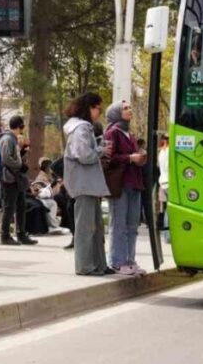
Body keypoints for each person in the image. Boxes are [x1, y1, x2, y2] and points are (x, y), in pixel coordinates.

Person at [62, 92, 112, 276]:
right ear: (89, 107)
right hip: (85, 184)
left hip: (88, 184)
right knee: (86, 228)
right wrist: (101, 150)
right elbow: (84, 154)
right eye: (98, 108)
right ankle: (85, 266)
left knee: (96, 227)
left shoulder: (81, 127)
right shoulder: (81, 128)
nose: (99, 112)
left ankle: (99, 264)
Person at [103, 101, 148, 276]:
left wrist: (140, 158)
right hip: (120, 184)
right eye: (125, 108)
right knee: (119, 224)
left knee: (132, 225)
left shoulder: (129, 134)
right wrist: (130, 158)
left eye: (129, 107)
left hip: (134, 183)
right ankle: (117, 261)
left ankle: (130, 260)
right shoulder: (112, 132)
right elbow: (108, 158)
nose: (130, 110)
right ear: (115, 113)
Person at [0, 115, 37, 245]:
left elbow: (14, 156)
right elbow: (6, 159)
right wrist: (20, 165)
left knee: (21, 206)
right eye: (22, 126)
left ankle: (21, 234)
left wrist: (22, 152)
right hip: (9, 178)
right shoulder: (7, 139)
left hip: (16, 178)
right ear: (20, 126)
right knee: (9, 207)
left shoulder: (12, 139)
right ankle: (5, 236)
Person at [157, 135, 170, 243]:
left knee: (166, 209)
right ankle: (168, 235)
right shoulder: (169, 151)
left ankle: (166, 235)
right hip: (169, 182)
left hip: (162, 182)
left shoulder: (161, 151)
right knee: (170, 210)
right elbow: (168, 166)